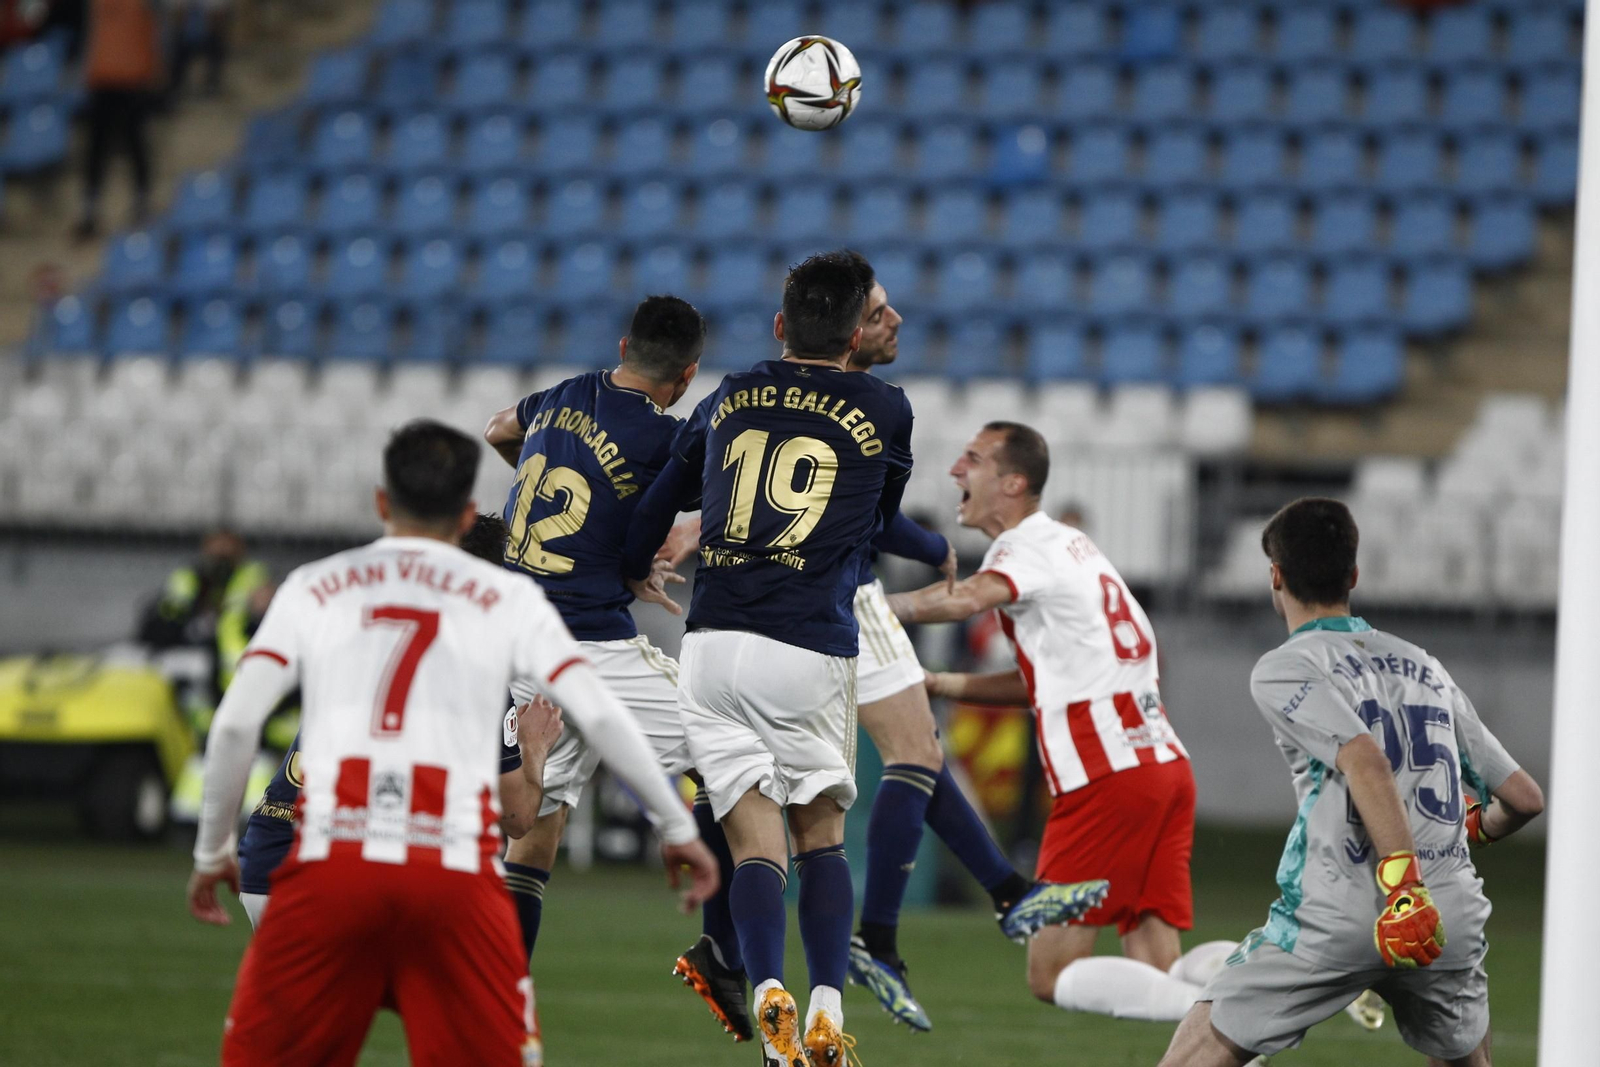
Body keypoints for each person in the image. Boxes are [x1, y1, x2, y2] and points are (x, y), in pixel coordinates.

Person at [185, 420, 718, 1067]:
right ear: (469, 511)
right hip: (447, 878)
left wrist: (213, 846)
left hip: (329, 872)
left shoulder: (317, 586)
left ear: (384, 503)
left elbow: (237, 724)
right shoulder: (507, 600)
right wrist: (674, 823)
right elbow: (599, 709)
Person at [620, 251, 913, 1067]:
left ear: (781, 326)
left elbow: (658, 503)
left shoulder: (727, 393)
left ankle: (764, 993)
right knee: (820, 838)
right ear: (857, 334)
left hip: (712, 643)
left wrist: (638, 561)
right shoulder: (886, 407)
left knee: (753, 846)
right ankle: (823, 1007)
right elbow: (878, 526)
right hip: (807, 645)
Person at [1157, 498, 1545, 1067]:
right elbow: (1523, 798)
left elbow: (1365, 761)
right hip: (1447, 917)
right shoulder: (1425, 666)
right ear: (1354, 575)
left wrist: (1403, 891)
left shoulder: (1286, 666)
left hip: (1345, 913)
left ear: (1275, 576)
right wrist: (1469, 831)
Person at [835, 253, 1111, 1032]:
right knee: (891, 770)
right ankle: (875, 942)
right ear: (851, 328)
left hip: (777, 605)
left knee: (906, 757)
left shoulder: (763, 391)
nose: (898, 322)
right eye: (883, 312)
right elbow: (907, 554)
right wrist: (911, 576)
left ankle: (1001, 895)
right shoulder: (878, 407)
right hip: (833, 602)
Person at [889, 422, 1227, 1024]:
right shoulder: (1070, 546)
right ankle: (1257, 992)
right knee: (1155, 964)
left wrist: (867, 609)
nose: (955, 470)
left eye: (973, 459)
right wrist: (943, 683)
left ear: (1013, 482)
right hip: (1162, 766)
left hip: (1107, 776)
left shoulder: (1022, 547)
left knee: (1052, 974)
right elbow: (1044, 680)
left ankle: (1240, 1010)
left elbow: (964, 600)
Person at [477, 297, 743, 995]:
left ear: (624, 344)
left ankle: (499, 1010)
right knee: (728, 759)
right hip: (590, 646)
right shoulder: (663, 437)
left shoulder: (562, 395)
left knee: (532, 831)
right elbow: (691, 509)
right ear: (686, 376)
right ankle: (724, 949)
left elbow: (497, 427)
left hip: (517, 638)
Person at [232, 513, 562, 934]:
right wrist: (533, 748)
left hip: (269, 856)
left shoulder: (354, 626)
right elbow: (516, 817)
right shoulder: (476, 666)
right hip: (351, 869)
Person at [75, 0, 160, 240]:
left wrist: (154, 70)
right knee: (97, 148)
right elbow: (89, 36)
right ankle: (90, 209)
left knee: (135, 144)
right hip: (102, 79)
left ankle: (141, 204)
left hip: (133, 79)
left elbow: (154, 33)